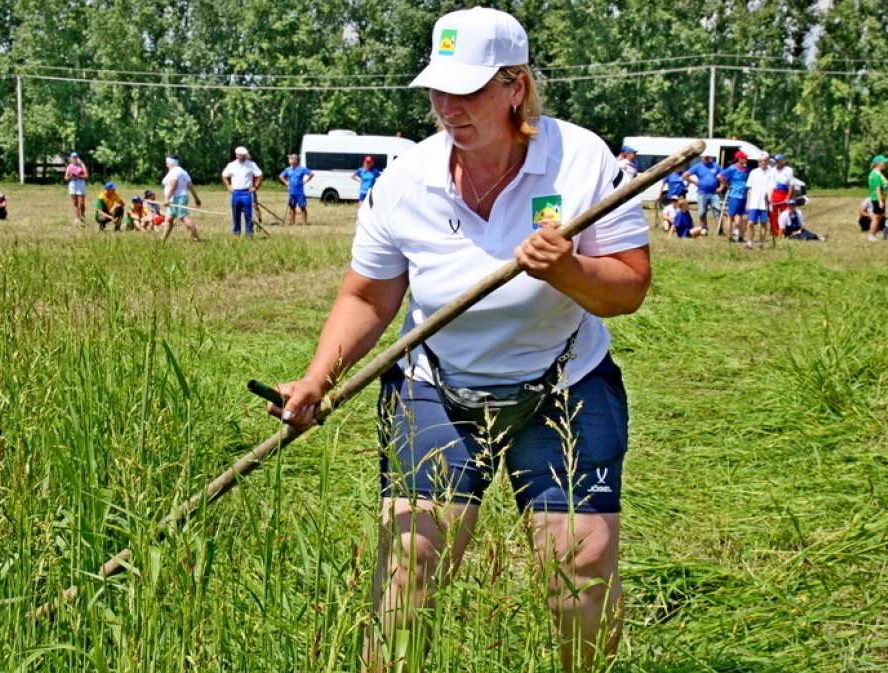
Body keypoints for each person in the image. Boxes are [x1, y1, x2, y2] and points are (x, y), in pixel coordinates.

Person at [267, 8, 649, 670]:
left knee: (581, 565)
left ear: (516, 87)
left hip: (563, 385)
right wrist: (316, 377)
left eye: (468, 90)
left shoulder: (581, 161)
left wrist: (568, 269)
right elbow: (368, 295)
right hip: (436, 388)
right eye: (438, 90)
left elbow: (629, 287)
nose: (448, 106)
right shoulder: (407, 180)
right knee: (409, 567)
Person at [222, 147, 263, 238]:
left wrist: (255, 187)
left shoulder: (251, 165)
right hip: (236, 192)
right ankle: (236, 233)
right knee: (236, 213)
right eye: (241, 155)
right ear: (237, 155)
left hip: (247, 192)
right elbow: (224, 175)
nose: (242, 156)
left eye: (244, 155)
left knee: (248, 214)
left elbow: (260, 175)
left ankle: (249, 233)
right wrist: (228, 186)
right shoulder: (231, 165)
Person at [162, 155, 204, 242]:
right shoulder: (183, 172)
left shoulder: (173, 172)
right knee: (168, 219)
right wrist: (196, 198)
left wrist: (166, 198)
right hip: (175, 198)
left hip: (178, 198)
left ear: (170, 163)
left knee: (183, 217)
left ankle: (196, 238)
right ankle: (163, 238)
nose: (166, 164)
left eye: (167, 163)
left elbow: (173, 184)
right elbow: (190, 186)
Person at [683, 151, 722, 234]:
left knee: (717, 211)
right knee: (702, 213)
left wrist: (721, 187)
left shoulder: (716, 166)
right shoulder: (698, 167)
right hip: (702, 193)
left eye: (708, 157)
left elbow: (722, 176)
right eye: (705, 158)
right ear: (701, 158)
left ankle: (719, 230)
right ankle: (703, 229)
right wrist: (694, 182)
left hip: (714, 193)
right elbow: (685, 175)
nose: (706, 159)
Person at [717, 150, 750, 243]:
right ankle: (729, 236)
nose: (746, 159)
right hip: (734, 196)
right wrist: (727, 186)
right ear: (739, 159)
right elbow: (719, 176)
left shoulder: (746, 169)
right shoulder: (732, 168)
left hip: (743, 196)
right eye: (745, 158)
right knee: (731, 217)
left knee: (742, 217)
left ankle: (741, 236)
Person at [744, 152, 774, 249]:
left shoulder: (772, 172)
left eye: (765, 161)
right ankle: (749, 243)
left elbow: (772, 187)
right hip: (754, 202)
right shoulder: (753, 173)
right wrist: (748, 202)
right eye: (761, 161)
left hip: (765, 203)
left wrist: (769, 198)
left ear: (768, 161)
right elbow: (750, 188)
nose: (763, 163)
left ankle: (760, 243)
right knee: (750, 223)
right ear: (758, 162)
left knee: (763, 223)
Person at [279, 154, 314, 225]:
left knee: (302, 207)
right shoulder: (288, 169)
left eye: (291, 159)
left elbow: (311, 174)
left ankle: (304, 222)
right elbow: (281, 176)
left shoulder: (302, 169)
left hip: (299, 192)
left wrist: (306, 181)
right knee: (292, 207)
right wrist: (286, 182)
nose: (289, 160)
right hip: (291, 192)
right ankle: (292, 222)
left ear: (295, 160)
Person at [769, 154, 795, 237]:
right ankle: (775, 231)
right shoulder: (772, 170)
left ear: (783, 161)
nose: (777, 162)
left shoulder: (788, 170)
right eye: (776, 161)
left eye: (779, 161)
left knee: (786, 213)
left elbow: (791, 185)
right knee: (773, 214)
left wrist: (788, 197)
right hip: (775, 193)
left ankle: (787, 230)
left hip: (784, 193)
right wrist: (770, 197)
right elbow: (771, 185)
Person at [867, 156, 888, 241]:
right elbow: (877, 188)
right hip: (877, 198)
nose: (885, 164)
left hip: (879, 198)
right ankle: (872, 235)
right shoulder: (876, 174)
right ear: (878, 163)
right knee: (876, 217)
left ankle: (874, 234)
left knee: (879, 216)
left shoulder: (877, 173)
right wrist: (880, 200)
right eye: (883, 162)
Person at [64, 152, 89, 224]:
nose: (75, 159)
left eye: (76, 157)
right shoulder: (69, 166)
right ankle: (77, 217)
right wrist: (71, 176)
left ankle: (83, 216)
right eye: (73, 157)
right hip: (72, 184)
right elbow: (65, 178)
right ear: (71, 158)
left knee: (81, 203)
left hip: (81, 184)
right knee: (75, 202)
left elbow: (86, 176)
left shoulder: (82, 165)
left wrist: (78, 175)